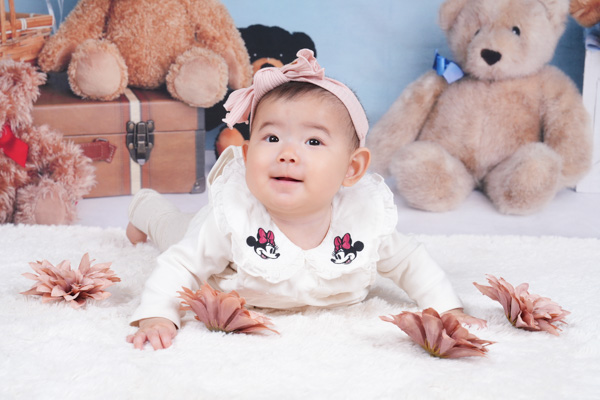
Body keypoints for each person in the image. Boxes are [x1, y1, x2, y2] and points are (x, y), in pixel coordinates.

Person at [126, 49, 486, 350]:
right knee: (171, 229)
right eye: (271, 138)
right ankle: (145, 206)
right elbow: (181, 265)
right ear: (247, 155)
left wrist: (447, 308)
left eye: (313, 141)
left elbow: (410, 262)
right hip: (225, 266)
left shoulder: (362, 218)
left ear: (352, 168)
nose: (287, 153)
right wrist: (158, 315)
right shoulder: (232, 216)